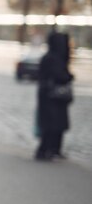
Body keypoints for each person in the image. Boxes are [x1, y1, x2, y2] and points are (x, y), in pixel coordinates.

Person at [34, 31, 74, 161]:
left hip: (52, 97)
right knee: (51, 126)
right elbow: (60, 76)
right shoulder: (53, 58)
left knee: (55, 126)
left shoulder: (52, 57)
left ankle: (51, 150)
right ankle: (47, 150)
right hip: (52, 97)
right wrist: (69, 77)